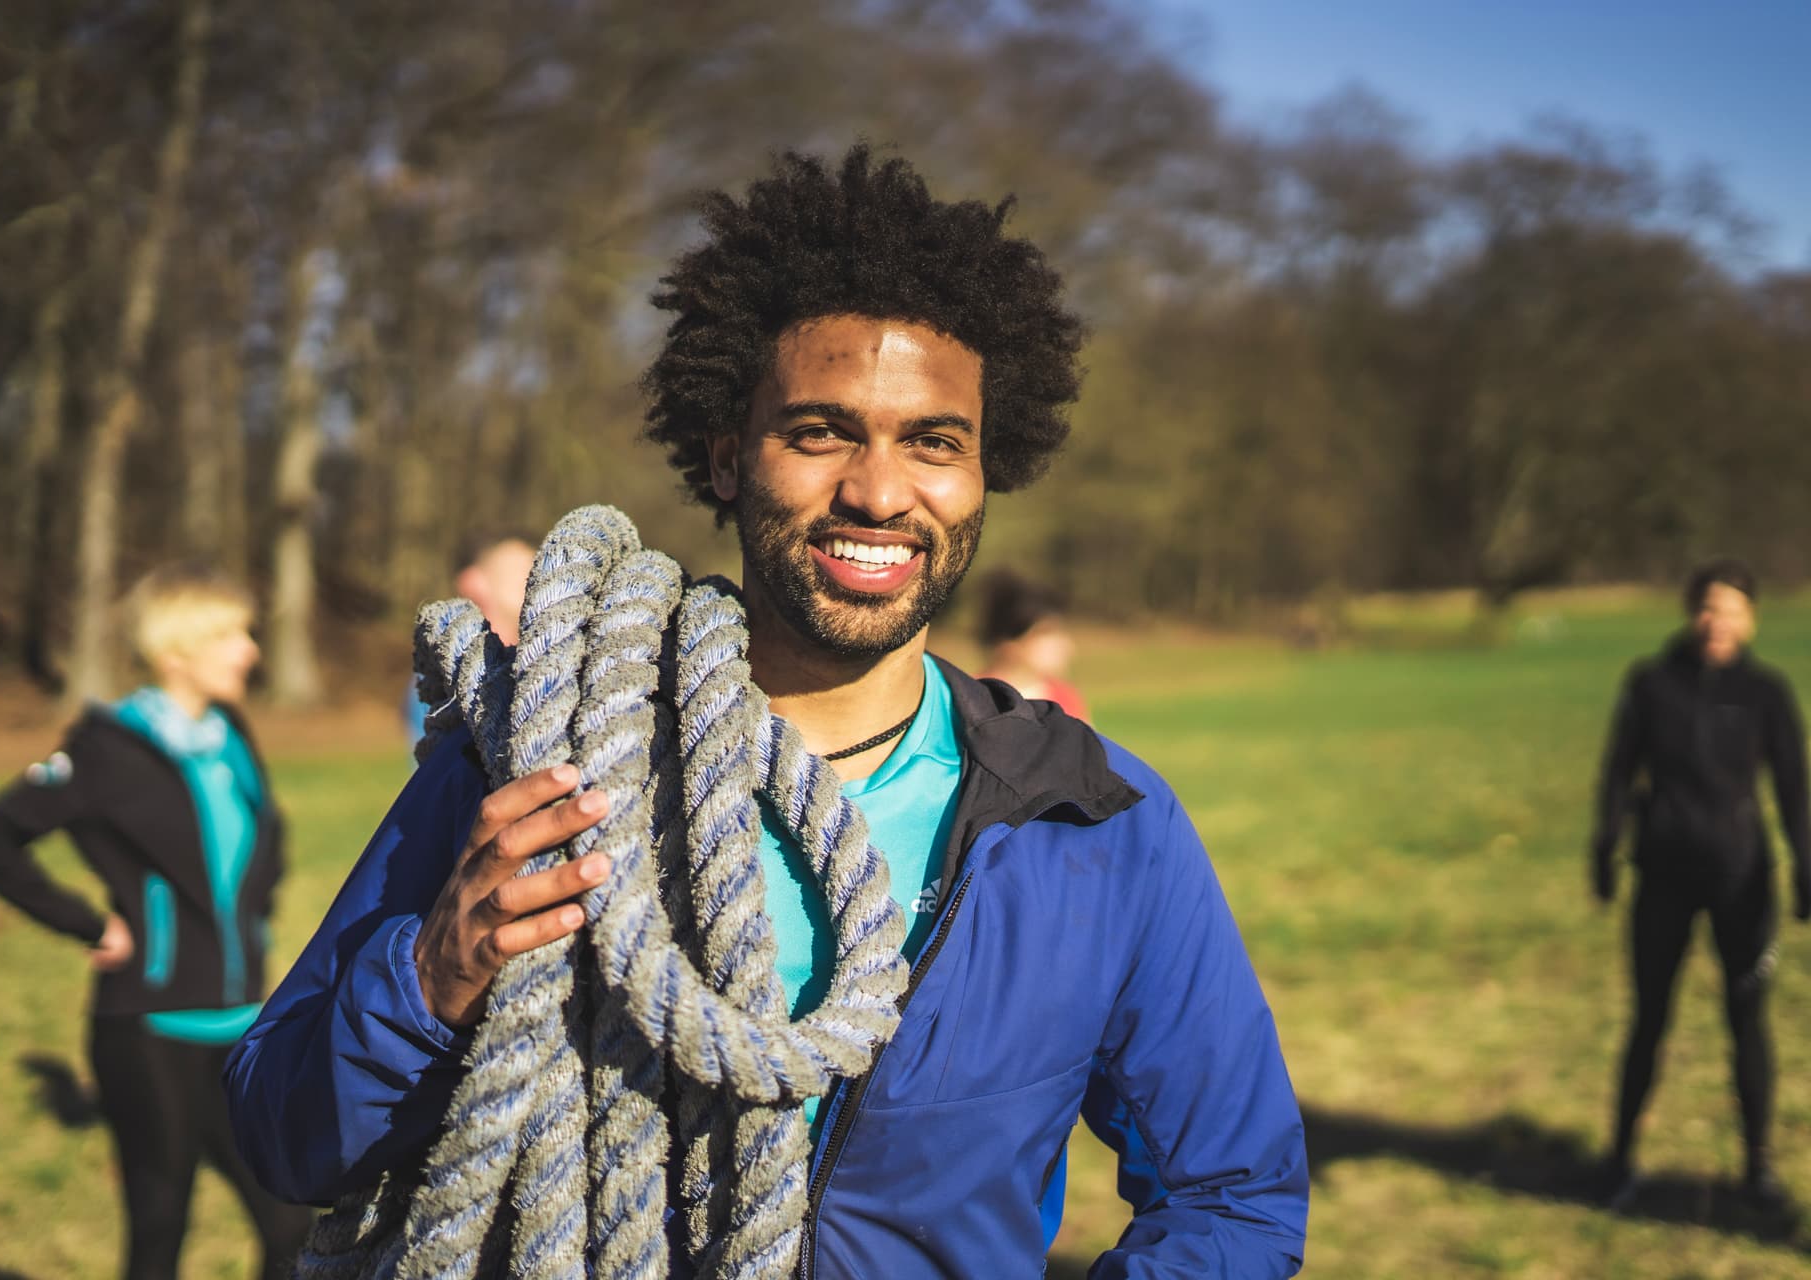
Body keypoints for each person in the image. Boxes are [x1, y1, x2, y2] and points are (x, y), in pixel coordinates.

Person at [225, 145, 1307, 1276]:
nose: (880, 493)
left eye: (934, 442)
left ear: (990, 468)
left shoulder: (1096, 828)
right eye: (820, 430)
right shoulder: (533, 753)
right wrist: (432, 974)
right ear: (728, 456)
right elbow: (284, 1138)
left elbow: (1232, 1195)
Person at [0, 565, 311, 1280]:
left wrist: (255, 922)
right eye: (230, 636)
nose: (249, 650)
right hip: (149, 1027)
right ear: (176, 652)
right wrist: (90, 925)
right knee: (160, 1223)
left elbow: (262, 844)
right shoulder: (103, 749)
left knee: (294, 1226)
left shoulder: (230, 733)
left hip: (241, 1024)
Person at [1592, 557, 1811, 1210]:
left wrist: (1806, 864)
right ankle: (1620, 1158)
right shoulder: (1652, 684)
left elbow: (1794, 788)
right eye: (1708, 608)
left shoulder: (1767, 694)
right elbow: (1617, 772)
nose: (1718, 622)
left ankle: (1757, 1168)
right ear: (1692, 614)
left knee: (1747, 1022)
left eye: (1732, 610)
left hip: (1742, 878)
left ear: (1751, 620)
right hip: (1663, 876)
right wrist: (1604, 849)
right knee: (1649, 1018)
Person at [403, 534, 539, 743]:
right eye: (519, 570)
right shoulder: (444, 676)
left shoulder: (541, 659)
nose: (535, 579)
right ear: (473, 582)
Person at [975, 567, 1091, 722]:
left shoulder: (1065, 699)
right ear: (1008, 643)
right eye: (1047, 633)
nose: (1066, 645)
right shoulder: (969, 700)